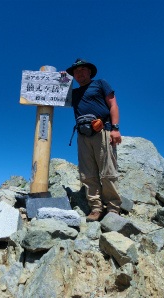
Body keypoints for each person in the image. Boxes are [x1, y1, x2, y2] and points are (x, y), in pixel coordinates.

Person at [65, 58, 122, 221]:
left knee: (107, 171)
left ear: (90, 71)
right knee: (87, 173)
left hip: (102, 130)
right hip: (83, 135)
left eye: (82, 69)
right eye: (76, 71)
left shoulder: (100, 84)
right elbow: (56, 94)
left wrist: (115, 129)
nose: (79, 73)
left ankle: (112, 208)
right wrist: (61, 79)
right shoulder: (74, 93)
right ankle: (96, 208)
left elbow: (113, 105)